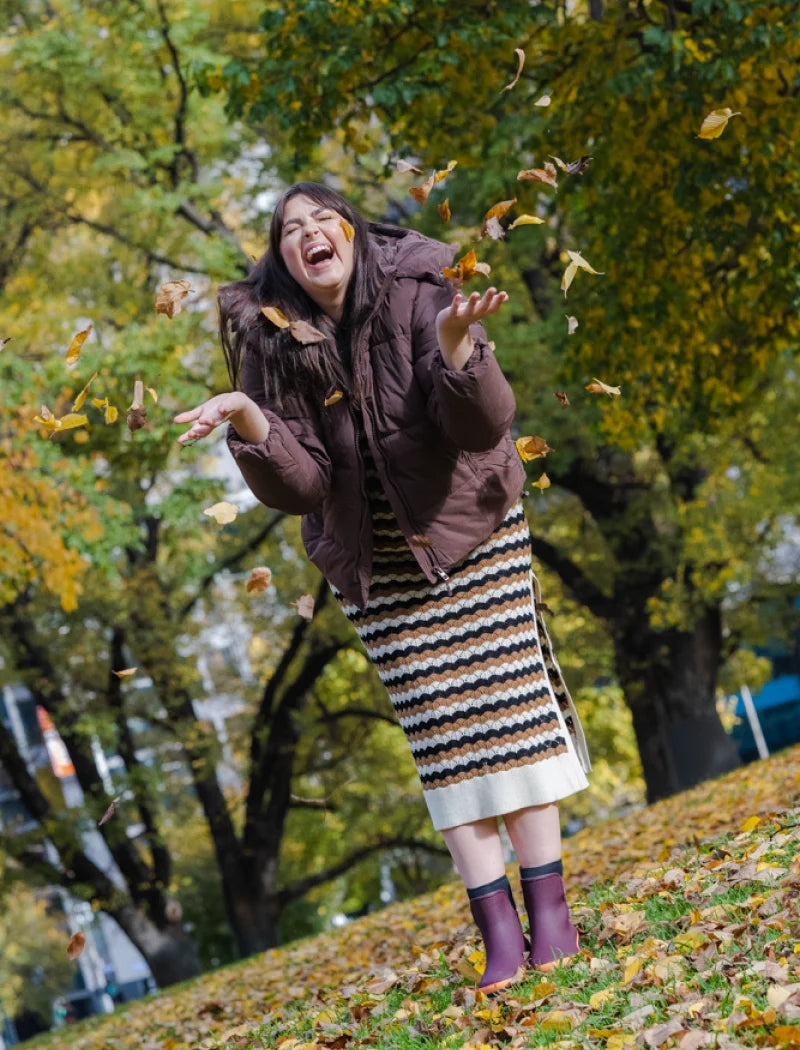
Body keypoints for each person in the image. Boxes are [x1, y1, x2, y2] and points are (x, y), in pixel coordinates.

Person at [175, 182, 591, 993]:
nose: (308, 235)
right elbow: (301, 485)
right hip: (375, 566)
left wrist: (458, 347)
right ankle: (498, 931)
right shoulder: (272, 338)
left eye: (321, 219)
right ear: (283, 260)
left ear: (353, 230)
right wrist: (248, 419)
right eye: (289, 231)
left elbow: (482, 426)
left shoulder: (421, 288)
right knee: (445, 741)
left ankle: (553, 917)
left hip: (471, 533)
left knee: (511, 719)